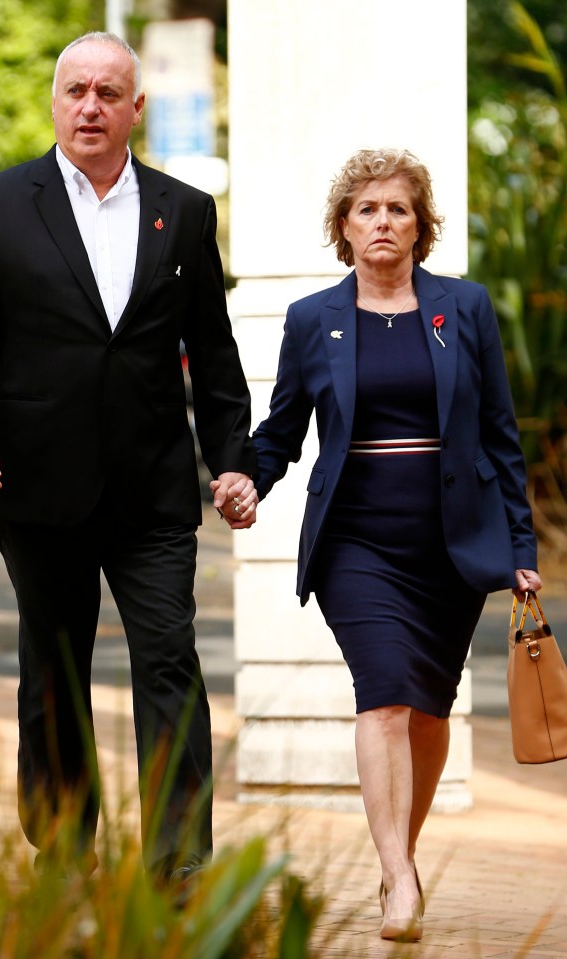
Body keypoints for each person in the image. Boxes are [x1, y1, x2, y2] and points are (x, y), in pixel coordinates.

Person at [0, 32, 257, 886]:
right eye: (76, 90)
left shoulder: (183, 210)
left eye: (109, 92)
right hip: (33, 478)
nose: (91, 106)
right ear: (54, 101)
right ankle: (65, 848)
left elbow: (211, 351)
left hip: (152, 485)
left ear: (134, 108)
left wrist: (234, 459)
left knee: (169, 662)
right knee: (54, 667)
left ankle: (179, 867)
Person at [215, 148, 542, 942]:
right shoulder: (312, 319)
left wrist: (520, 541)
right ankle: (396, 877)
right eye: (366, 210)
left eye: (397, 208)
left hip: (451, 544)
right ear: (343, 227)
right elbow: (284, 430)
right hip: (356, 540)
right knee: (386, 698)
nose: (382, 222)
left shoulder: (462, 309)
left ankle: (403, 853)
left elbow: (498, 434)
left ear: (419, 225)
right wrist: (247, 478)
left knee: (428, 711)